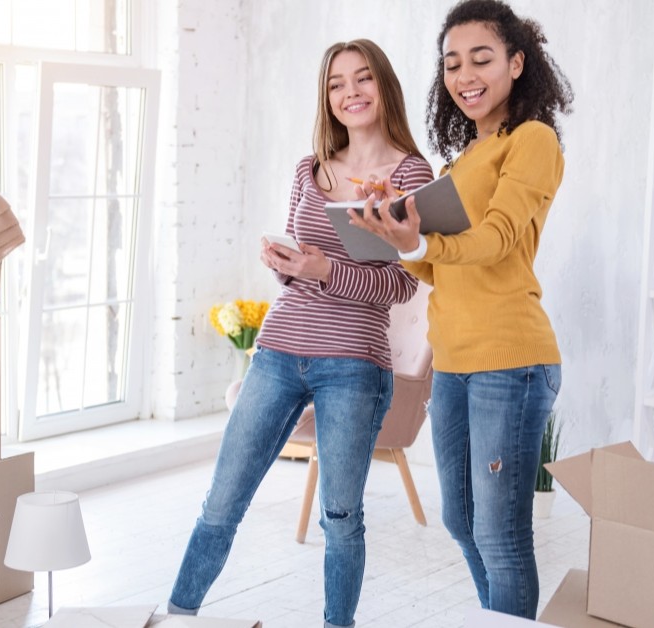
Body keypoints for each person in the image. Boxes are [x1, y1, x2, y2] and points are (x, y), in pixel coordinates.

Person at [167, 39, 433, 628]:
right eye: (337, 83)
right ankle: (177, 615)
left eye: (362, 79)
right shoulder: (308, 169)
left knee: (341, 517)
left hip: (353, 363)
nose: (350, 93)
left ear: (383, 86)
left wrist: (324, 270)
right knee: (222, 500)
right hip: (280, 351)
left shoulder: (410, 174)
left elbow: (403, 286)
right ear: (327, 96)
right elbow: (299, 273)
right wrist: (285, 262)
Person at [348, 0, 574, 619]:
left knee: (501, 534)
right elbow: (434, 264)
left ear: (517, 64)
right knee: (461, 520)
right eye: (452, 63)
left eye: (481, 58)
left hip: (512, 360)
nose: (465, 75)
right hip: (453, 363)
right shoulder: (461, 160)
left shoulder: (533, 141)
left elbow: (499, 237)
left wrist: (420, 240)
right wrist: (395, 227)